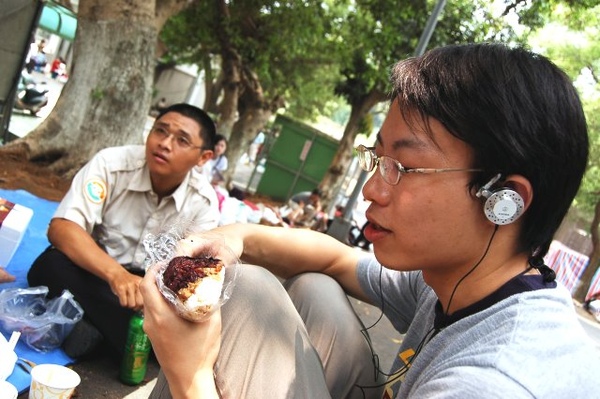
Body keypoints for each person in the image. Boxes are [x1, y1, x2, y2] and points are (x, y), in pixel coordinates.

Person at [140, 43, 600, 398]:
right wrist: (231, 237)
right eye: (378, 159)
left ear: (504, 200)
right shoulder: (467, 280)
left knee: (238, 302)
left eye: (404, 167)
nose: (372, 189)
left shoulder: (491, 383)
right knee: (308, 285)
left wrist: (192, 378)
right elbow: (337, 259)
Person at [27, 103, 220, 360]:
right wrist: (115, 275)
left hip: (151, 290)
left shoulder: (203, 202)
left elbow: (194, 276)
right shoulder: (111, 164)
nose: (164, 143)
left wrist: (151, 291)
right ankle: (129, 341)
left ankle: (89, 326)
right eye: (160, 131)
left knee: (187, 316)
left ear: (203, 157)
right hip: (97, 270)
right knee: (49, 265)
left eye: (182, 140)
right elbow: (63, 227)